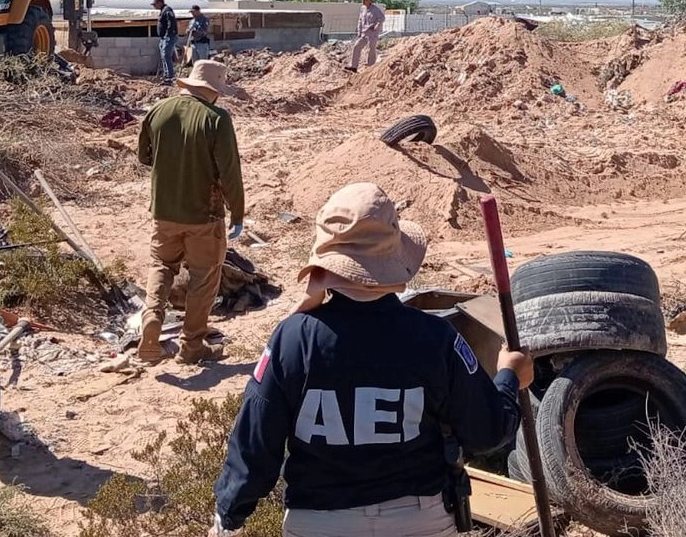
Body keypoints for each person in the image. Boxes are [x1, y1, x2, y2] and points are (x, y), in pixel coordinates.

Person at [211, 182, 532, 537]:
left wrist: (229, 515)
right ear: (393, 260)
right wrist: (509, 378)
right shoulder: (434, 338)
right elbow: (486, 431)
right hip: (418, 519)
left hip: (319, 522)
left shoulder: (293, 340)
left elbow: (255, 443)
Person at [137, 60, 245, 364]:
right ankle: (191, 345)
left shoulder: (159, 110)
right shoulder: (217, 119)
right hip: (204, 216)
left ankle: (152, 320)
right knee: (204, 278)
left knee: (161, 265)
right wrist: (237, 213)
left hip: (164, 211)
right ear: (214, 91)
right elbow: (230, 173)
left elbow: (145, 156)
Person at [345, 0, 384, 72]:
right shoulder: (362, 8)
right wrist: (359, 31)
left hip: (372, 33)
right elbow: (360, 20)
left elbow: (382, 18)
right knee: (357, 46)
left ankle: (371, 68)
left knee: (371, 49)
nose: (363, 1)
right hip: (363, 33)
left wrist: (376, 25)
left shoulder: (375, 9)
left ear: (369, 0)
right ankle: (354, 66)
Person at [154, 0, 178, 84]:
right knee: (163, 56)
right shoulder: (163, 11)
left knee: (166, 55)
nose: (154, 6)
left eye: (155, 4)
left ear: (160, 3)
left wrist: (168, 35)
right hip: (163, 37)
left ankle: (170, 76)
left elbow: (170, 23)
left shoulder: (167, 10)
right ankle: (166, 74)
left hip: (168, 37)